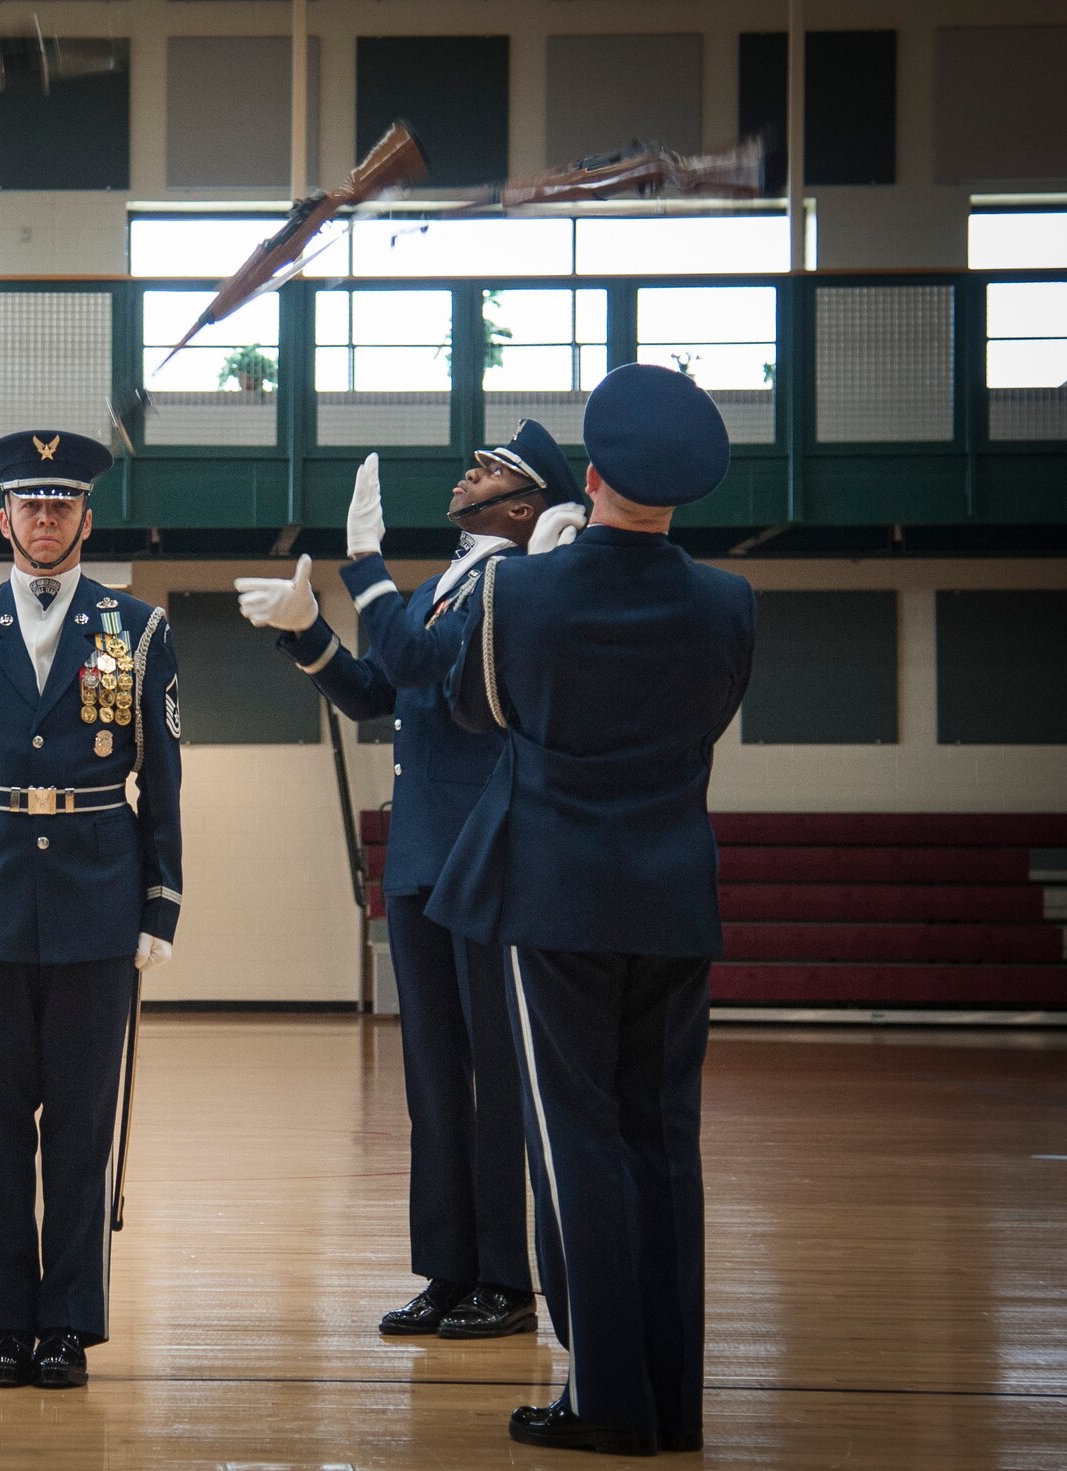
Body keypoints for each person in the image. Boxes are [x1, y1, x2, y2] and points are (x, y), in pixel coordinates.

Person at [431, 364, 756, 1456]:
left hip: (556, 893)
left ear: (595, 473)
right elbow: (706, 719)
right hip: (672, 894)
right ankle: (669, 1401)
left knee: (577, 1145)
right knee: (663, 1141)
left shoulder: (518, 588)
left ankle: (604, 1398)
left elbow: (474, 707)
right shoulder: (726, 600)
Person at [235, 421, 586, 1343]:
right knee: (433, 1079)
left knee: (496, 1079)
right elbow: (378, 690)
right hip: (426, 856)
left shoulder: (524, 584)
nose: (466, 474)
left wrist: (365, 568)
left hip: (490, 858)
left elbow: (421, 659)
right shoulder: (448, 587)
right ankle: (449, 1268)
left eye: (489, 469)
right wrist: (307, 633)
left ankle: (507, 1282)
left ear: (523, 505)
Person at [0, 429, 182, 1390]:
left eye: (63, 503)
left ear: (86, 519)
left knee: (83, 1129)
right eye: (31, 503)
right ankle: (5, 1322)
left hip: (99, 897)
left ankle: (69, 1323)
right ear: (4, 517)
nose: (47, 517)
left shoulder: (136, 627)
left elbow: (164, 778)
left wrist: (160, 902)